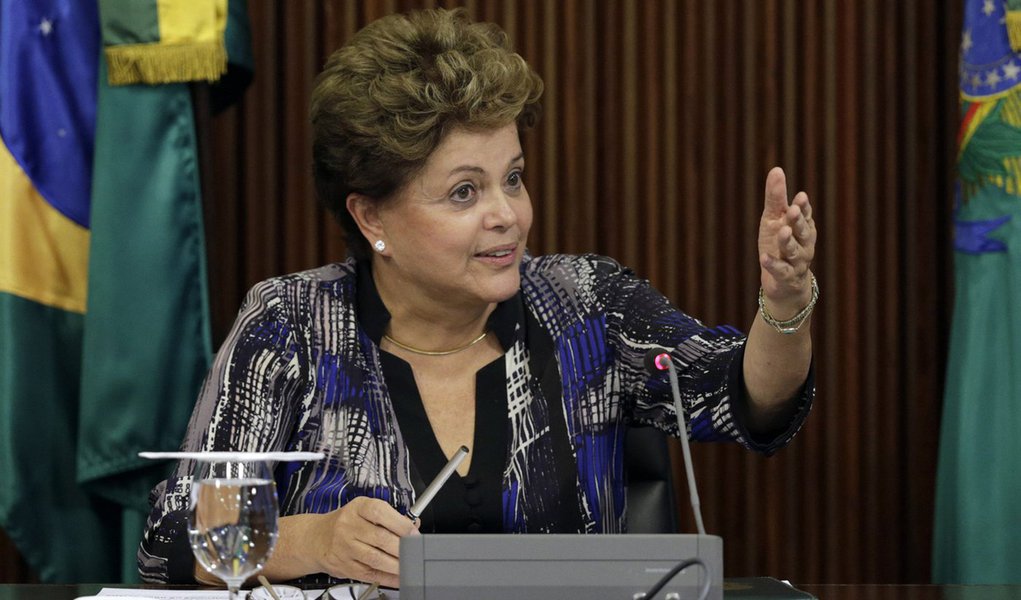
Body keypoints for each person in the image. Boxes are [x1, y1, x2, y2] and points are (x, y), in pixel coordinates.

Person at [138, 7, 818, 589]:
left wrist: (782, 306)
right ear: (372, 218)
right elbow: (168, 539)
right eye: (465, 191)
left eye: (513, 179)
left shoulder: (584, 304)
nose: (507, 216)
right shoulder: (290, 327)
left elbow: (741, 395)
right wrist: (308, 542)